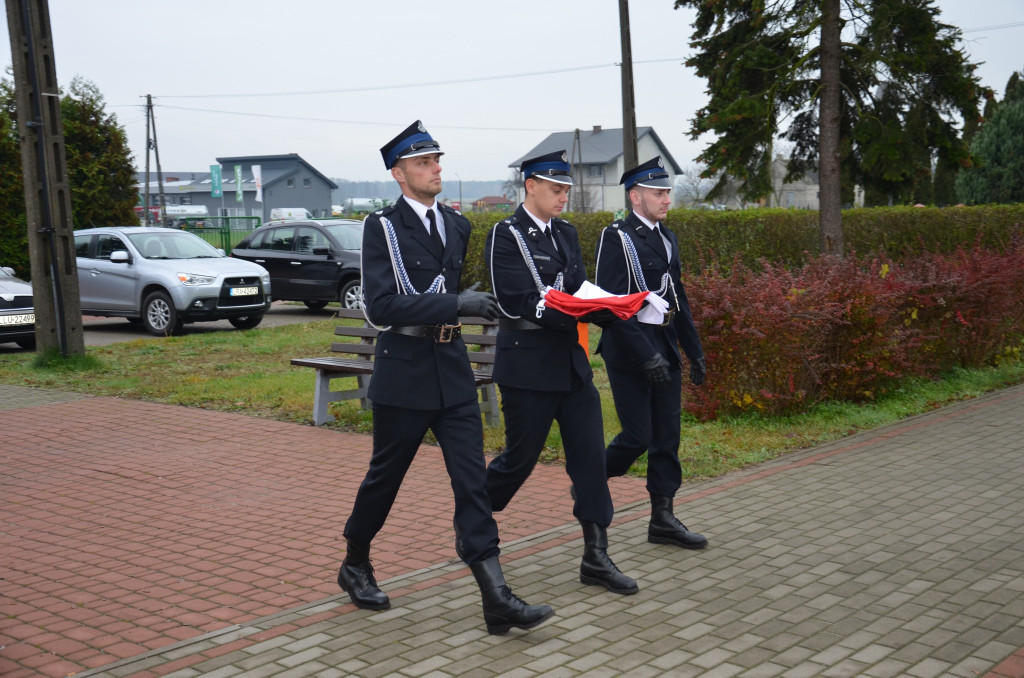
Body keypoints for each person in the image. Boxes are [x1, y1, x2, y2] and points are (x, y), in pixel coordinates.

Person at [338, 121, 553, 635]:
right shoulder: (382, 228)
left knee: (471, 484)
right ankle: (355, 561)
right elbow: (383, 307)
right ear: (398, 173)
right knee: (384, 480)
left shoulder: (458, 227)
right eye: (422, 162)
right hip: (404, 370)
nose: (436, 169)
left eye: (437, 160)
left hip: (451, 369)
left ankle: (496, 597)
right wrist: (456, 302)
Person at [484, 150, 638, 596]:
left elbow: (576, 287)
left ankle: (596, 556)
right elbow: (515, 298)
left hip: (570, 365)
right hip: (528, 364)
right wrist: (579, 311)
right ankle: (474, 511)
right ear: (530, 185)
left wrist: (608, 308)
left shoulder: (567, 233)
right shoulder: (506, 234)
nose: (564, 197)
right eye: (556, 189)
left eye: (567, 190)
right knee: (519, 461)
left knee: (590, 460)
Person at [593, 156, 708, 550]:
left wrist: (693, 350)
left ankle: (662, 518)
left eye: (668, 193)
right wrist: (645, 354)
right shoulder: (617, 237)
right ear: (635, 196)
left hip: (665, 342)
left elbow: (678, 297)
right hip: (628, 346)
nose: (667, 200)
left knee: (667, 437)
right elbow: (609, 305)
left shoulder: (667, 237)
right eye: (659, 193)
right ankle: (591, 483)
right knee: (638, 435)